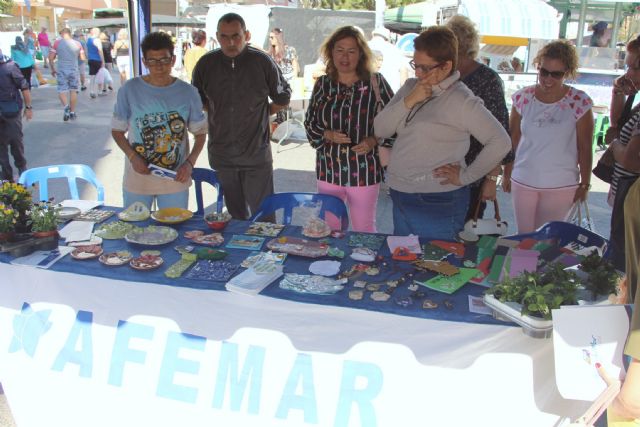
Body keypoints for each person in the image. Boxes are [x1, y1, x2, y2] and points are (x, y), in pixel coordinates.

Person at [374, 26, 510, 240]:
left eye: (425, 68)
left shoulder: (461, 99)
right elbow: (381, 129)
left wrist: (467, 176)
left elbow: (500, 141)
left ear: (446, 66)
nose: (417, 73)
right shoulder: (411, 87)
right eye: (415, 65)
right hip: (401, 193)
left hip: (437, 199)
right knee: (403, 261)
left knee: (434, 265)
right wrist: (409, 101)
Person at [192, 13, 291, 220]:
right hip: (222, 155)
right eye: (224, 37)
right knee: (235, 217)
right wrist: (217, 110)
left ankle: (266, 252)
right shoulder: (206, 64)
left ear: (246, 34)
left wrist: (262, 112)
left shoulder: (262, 61)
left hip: (256, 155)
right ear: (217, 37)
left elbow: (283, 97)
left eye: (236, 36)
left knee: (264, 218)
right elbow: (197, 99)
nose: (230, 42)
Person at [304, 26, 393, 233]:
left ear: (361, 54)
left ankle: (364, 266)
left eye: (351, 51)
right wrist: (327, 134)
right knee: (330, 226)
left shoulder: (375, 82)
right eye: (339, 50)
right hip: (328, 169)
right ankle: (331, 264)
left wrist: (374, 140)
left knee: (364, 228)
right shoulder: (323, 84)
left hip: (364, 170)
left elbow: (396, 121)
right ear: (331, 53)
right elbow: (309, 123)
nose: (345, 57)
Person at [504, 40, 594, 234]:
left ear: (567, 72)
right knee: (524, 239)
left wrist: (585, 183)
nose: (548, 79)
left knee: (548, 243)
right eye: (543, 72)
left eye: (556, 74)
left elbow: (585, 146)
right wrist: (506, 172)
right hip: (523, 180)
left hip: (561, 185)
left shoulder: (580, 101)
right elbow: (513, 138)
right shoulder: (522, 97)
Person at [111, 32, 207, 210]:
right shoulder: (129, 90)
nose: (159, 66)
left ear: (173, 59)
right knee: (136, 231)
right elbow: (117, 131)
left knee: (174, 231)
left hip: (175, 179)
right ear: (145, 61)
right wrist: (133, 157)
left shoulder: (188, 92)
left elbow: (200, 134)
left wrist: (189, 163)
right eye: (153, 61)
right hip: (138, 179)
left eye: (164, 60)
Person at [445, 15, 513, 222]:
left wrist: (492, 179)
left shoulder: (487, 79)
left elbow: (500, 134)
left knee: (466, 235)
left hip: (474, 173)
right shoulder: (443, 75)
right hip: (441, 170)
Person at [606, 37, 640, 271]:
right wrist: (619, 94)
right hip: (626, 197)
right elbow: (617, 123)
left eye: (634, 67)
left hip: (633, 202)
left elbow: (631, 159)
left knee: (623, 267)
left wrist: (614, 143)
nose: (629, 73)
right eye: (627, 66)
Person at [0, 49, 32, 181]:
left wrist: (28, 107)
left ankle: (23, 171)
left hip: (11, 111)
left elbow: (24, 87)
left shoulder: (10, 66)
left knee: (16, 142)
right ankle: (7, 177)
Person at [49, 28, 85, 122]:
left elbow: (51, 58)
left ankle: (66, 107)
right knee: (73, 91)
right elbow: (82, 57)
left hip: (61, 70)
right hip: (73, 70)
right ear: (70, 34)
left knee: (62, 90)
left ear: (62, 34)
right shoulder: (78, 44)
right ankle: (72, 112)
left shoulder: (57, 43)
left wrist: (52, 69)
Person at [267, 27, 299, 125]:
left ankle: (287, 123)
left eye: (272, 37)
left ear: (278, 37)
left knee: (285, 99)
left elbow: (295, 67)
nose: (270, 39)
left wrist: (295, 80)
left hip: (288, 80)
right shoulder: (270, 53)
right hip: (277, 81)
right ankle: (282, 123)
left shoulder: (289, 50)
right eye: (269, 37)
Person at [367, 26, 408, 93]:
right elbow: (403, 72)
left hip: (365, 91)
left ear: (373, 35)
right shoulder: (395, 50)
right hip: (390, 93)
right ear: (387, 38)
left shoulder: (364, 47)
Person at [87, 27, 106, 98]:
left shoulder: (88, 40)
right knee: (100, 75)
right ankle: (100, 91)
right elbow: (100, 50)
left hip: (90, 59)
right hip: (97, 59)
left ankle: (92, 90)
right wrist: (103, 61)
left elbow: (87, 50)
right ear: (96, 32)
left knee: (92, 76)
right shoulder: (97, 40)